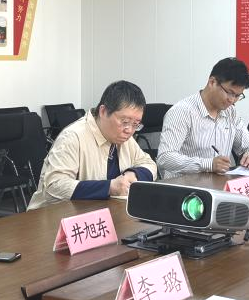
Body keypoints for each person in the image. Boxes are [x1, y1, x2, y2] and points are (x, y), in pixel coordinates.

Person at [28, 81, 157, 209]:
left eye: (136, 124)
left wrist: (133, 174)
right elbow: (54, 187)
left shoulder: (123, 137)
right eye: (125, 121)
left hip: (100, 212)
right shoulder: (73, 137)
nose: (129, 130)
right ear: (103, 111)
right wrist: (109, 187)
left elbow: (149, 163)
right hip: (53, 216)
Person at [157, 57, 249, 175]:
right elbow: (164, 157)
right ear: (212, 82)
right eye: (229, 93)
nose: (232, 100)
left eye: (238, 96)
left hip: (219, 183)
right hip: (184, 184)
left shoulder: (231, 113)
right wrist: (208, 164)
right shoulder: (182, 112)